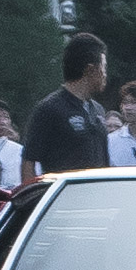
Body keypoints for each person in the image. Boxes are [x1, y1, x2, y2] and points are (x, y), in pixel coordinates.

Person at [23, 31, 110, 176]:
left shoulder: (98, 110)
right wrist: (32, 198)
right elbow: (28, 161)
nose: (105, 74)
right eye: (104, 68)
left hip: (98, 194)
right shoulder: (49, 109)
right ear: (90, 70)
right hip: (67, 195)